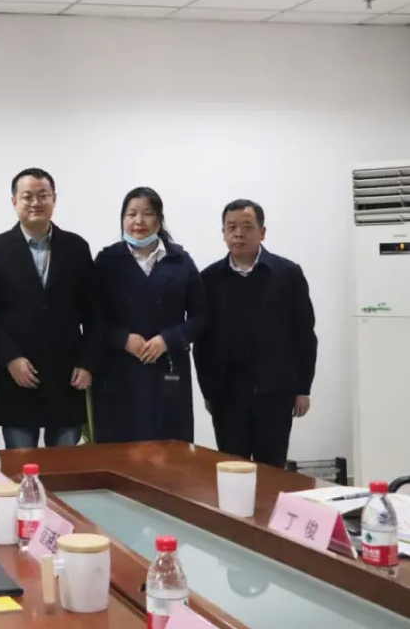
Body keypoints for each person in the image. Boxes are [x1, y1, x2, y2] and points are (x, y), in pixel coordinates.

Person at [0, 168, 100, 449]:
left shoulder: (76, 247)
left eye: (43, 195)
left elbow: (94, 312)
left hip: (68, 375)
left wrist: (87, 363)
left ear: (54, 199)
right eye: (27, 196)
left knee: (64, 468)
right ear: (14, 201)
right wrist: (9, 358)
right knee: (21, 465)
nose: (35, 203)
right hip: (17, 376)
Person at [195, 199, 317, 468]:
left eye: (247, 227)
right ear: (223, 233)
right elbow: (202, 342)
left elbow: (305, 335)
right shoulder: (208, 279)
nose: (238, 234)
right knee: (232, 469)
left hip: (275, 393)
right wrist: (208, 391)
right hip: (227, 396)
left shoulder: (287, 274)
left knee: (272, 469)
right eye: (231, 227)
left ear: (262, 232)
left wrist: (303, 389)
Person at [91, 186, 206, 444]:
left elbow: (200, 316)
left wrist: (168, 340)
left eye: (147, 214)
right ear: (123, 219)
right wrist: (123, 339)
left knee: (169, 446)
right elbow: (92, 317)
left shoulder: (180, 260)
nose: (139, 221)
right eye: (131, 214)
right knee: (120, 446)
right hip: (118, 369)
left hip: (168, 367)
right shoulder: (107, 261)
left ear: (159, 219)